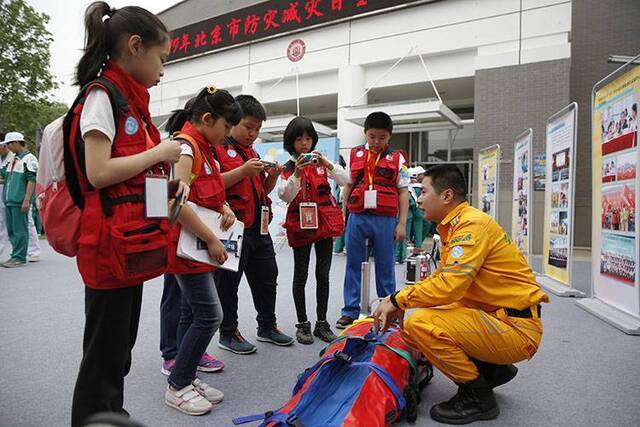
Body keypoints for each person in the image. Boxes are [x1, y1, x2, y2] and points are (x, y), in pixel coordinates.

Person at [69, 3, 183, 425]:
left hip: (128, 245)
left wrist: (164, 182)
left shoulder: (130, 102)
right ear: (135, 47)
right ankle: (96, 418)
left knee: (119, 348)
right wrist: (159, 152)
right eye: (161, 58)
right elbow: (98, 173)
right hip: (107, 249)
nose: (163, 69)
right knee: (103, 355)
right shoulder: (103, 96)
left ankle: (111, 414)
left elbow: (129, 175)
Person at [373, 164, 549, 425]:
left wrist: (398, 299)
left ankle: (478, 397)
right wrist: (402, 299)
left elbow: (450, 286)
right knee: (419, 313)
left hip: (515, 328)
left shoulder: (470, 226)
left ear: (446, 196)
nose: (418, 199)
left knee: (418, 323)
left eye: (423, 191)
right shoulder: (454, 226)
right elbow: (442, 280)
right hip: (498, 317)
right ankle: (491, 370)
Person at [163, 87, 241, 415]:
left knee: (193, 314)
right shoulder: (186, 148)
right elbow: (176, 203)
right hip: (187, 249)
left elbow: (209, 192)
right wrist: (211, 238)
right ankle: (178, 384)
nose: (227, 135)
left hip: (196, 247)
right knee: (211, 314)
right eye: (226, 127)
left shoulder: (205, 149)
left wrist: (224, 207)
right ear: (207, 119)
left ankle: (187, 375)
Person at [213, 94, 294, 354]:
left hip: (259, 227)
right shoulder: (217, 147)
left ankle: (267, 327)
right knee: (228, 283)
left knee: (268, 277)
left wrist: (271, 176)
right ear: (233, 121)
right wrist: (243, 171)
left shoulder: (253, 152)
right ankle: (228, 333)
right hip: (232, 227)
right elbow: (211, 186)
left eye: (257, 129)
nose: (253, 134)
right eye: (248, 127)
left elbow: (262, 190)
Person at [278, 116, 349, 344]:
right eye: (299, 139)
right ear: (291, 142)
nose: (304, 143)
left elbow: (346, 179)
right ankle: (303, 324)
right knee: (301, 276)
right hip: (300, 227)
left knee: (323, 275)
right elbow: (285, 196)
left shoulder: (323, 164)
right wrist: (297, 174)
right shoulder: (288, 168)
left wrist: (328, 164)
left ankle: (321, 323)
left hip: (324, 227)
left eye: (308, 138)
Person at [336, 111, 409, 329]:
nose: (377, 142)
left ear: (390, 136)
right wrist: (342, 214)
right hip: (357, 217)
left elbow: (403, 192)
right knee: (353, 264)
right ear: (365, 133)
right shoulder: (355, 155)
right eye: (372, 136)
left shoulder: (398, 158)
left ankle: (387, 309)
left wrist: (402, 223)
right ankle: (350, 310)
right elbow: (348, 186)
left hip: (385, 219)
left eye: (382, 138)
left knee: (386, 265)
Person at [1, 132, 39, 268]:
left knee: (20, 230)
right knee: (11, 230)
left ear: (17, 143)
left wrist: (26, 200)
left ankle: (19, 257)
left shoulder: (29, 159)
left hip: (19, 200)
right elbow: (3, 175)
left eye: (9, 144)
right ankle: (15, 255)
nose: (8, 148)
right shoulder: (13, 159)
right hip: (9, 200)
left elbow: (31, 180)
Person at [0, 133, 14, 261]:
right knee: (2, 223)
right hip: (4, 194)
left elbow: (9, 178)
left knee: (27, 223)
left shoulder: (13, 158)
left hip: (13, 195)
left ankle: (33, 251)